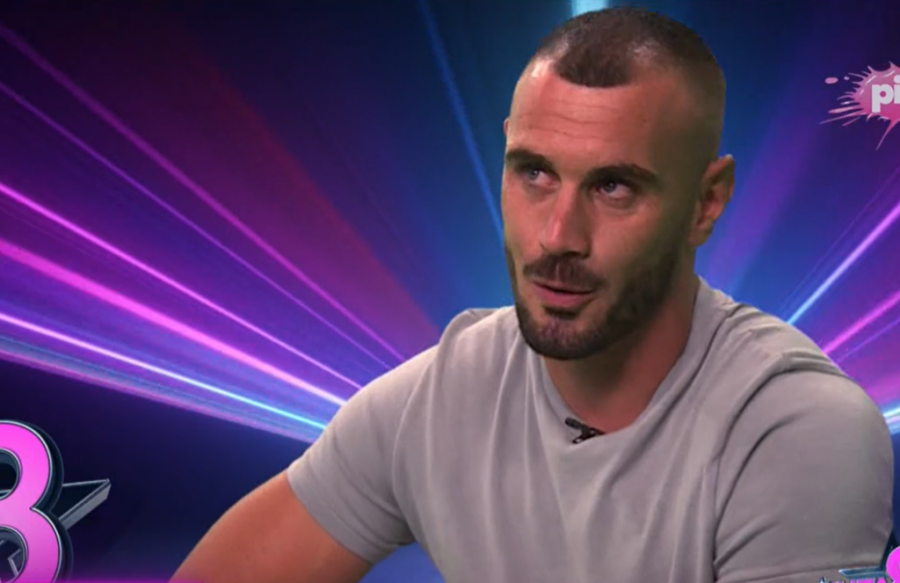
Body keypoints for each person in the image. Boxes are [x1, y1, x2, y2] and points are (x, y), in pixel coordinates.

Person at [172, 6, 894, 583]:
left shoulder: (794, 430)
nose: (557, 236)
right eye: (535, 173)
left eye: (614, 187)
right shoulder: (437, 399)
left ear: (707, 202)